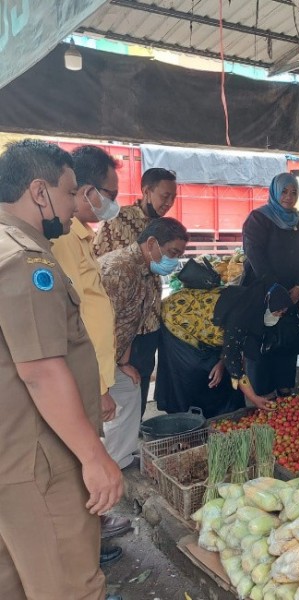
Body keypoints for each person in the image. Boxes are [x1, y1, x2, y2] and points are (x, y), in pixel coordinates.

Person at [0, 139, 123, 599]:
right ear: (38, 192)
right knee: (70, 583)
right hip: (40, 462)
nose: (75, 207)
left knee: (17, 579)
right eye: (70, 192)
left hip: (12, 452)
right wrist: (95, 459)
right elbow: (41, 371)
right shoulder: (24, 262)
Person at [51, 145, 131, 563]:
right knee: (82, 462)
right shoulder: (64, 241)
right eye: (109, 192)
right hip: (81, 380)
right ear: (86, 191)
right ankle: (86, 549)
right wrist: (98, 386)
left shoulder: (80, 236)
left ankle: (93, 530)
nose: (113, 202)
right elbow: (70, 322)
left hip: (91, 376)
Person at [99, 217, 188, 468]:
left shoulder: (148, 273)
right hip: (90, 357)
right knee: (102, 408)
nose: (175, 260)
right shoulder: (119, 270)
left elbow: (131, 322)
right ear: (151, 243)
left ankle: (120, 458)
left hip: (114, 356)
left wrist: (124, 362)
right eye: (172, 252)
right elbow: (98, 328)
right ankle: (98, 467)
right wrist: (101, 385)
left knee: (130, 388)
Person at [156, 260, 291, 414]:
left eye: (282, 313)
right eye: (278, 312)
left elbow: (233, 348)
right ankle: (186, 417)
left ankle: (221, 412)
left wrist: (222, 361)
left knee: (223, 374)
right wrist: (254, 398)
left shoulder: (252, 304)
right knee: (192, 373)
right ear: (267, 304)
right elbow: (233, 358)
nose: (279, 316)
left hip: (208, 321)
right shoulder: (242, 315)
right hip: (177, 317)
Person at [94, 167, 178, 415]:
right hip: (120, 328)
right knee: (113, 399)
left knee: (138, 388)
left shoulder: (164, 226)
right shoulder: (117, 221)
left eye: (174, 197)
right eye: (165, 196)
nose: (169, 202)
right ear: (146, 191)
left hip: (149, 324)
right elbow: (98, 268)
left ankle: (132, 439)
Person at [241, 172, 299, 397]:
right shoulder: (258, 218)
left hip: (291, 291)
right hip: (262, 290)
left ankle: (284, 386)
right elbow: (255, 255)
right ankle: (261, 392)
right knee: (261, 339)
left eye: (293, 192)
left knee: (285, 339)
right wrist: (273, 288)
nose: (289, 197)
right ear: (274, 191)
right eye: (284, 191)